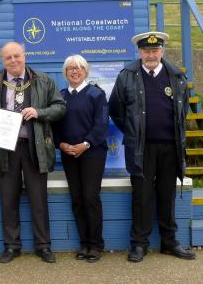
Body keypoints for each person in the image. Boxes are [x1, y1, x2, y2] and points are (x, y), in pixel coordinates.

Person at [109, 31, 196, 262]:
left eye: (155, 50)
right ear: (139, 52)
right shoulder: (127, 75)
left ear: (162, 51)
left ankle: (169, 242)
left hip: (170, 148)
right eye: (146, 50)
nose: (150, 54)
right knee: (142, 197)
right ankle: (139, 244)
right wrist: (134, 130)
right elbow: (116, 110)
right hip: (141, 148)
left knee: (167, 196)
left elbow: (183, 109)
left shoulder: (176, 76)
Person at [0, 42, 66, 263]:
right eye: (8, 58)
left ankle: (43, 245)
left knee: (39, 199)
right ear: (2, 60)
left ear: (24, 56)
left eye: (17, 56)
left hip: (34, 146)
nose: (13, 61)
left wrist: (39, 112)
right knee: (8, 199)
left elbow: (60, 107)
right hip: (4, 148)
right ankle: (11, 245)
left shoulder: (43, 80)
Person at [53, 55, 108, 263]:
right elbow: (54, 126)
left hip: (92, 153)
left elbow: (101, 124)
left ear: (85, 71)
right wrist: (61, 144)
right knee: (76, 199)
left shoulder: (96, 94)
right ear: (65, 73)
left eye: (78, 68)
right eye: (70, 69)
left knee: (90, 198)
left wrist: (85, 144)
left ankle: (96, 245)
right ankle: (84, 243)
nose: (74, 71)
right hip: (69, 154)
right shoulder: (61, 96)